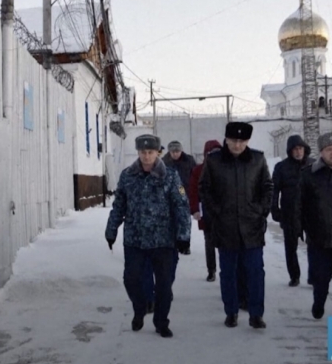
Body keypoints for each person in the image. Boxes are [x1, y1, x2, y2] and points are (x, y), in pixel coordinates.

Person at [105, 134, 191, 338]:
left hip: (163, 240)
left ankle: (161, 322)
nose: (146, 156)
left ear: (158, 153)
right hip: (135, 239)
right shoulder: (127, 176)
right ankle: (140, 308)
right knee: (131, 279)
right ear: (138, 152)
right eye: (143, 152)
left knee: (164, 285)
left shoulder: (170, 176)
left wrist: (183, 235)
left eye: (150, 152)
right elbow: (119, 205)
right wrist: (111, 229)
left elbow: (181, 206)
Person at [199, 122, 273, 329]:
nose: (237, 145)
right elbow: (204, 188)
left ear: (247, 141)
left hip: (252, 227)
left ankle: (256, 314)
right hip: (225, 227)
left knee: (255, 272)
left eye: (242, 141)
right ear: (226, 140)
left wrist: (261, 210)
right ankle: (231, 312)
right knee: (228, 273)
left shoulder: (257, 159)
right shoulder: (214, 161)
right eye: (233, 140)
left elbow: (267, 187)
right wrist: (216, 212)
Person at [296, 132, 332, 320]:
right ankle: (318, 304)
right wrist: (300, 227)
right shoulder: (309, 175)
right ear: (321, 152)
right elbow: (299, 205)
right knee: (321, 279)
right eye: (329, 149)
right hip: (319, 238)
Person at [271, 135, 315, 287]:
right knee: (291, 247)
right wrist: (275, 209)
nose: (298, 152)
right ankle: (294, 276)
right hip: (289, 212)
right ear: (290, 151)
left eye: (300, 148)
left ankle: (313, 276)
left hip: (311, 213)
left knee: (314, 247)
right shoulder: (281, 167)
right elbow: (274, 190)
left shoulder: (313, 165)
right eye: (295, 149)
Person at [188, 140, 222, 282]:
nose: (175, 154)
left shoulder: (225, 168)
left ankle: (226, 271)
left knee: (225, 243)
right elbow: (191, 189)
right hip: (204, 209)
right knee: (209, 241)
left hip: (223, 212)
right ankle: (211, 270)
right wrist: (194, 208)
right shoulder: (197, 170)